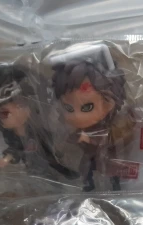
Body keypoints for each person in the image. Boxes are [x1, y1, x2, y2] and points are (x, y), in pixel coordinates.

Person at [0, 62, 77, 179]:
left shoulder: (35, 126)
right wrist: (7, 158)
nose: (18, 113)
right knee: (39, 173)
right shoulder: (11, 136)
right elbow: (14, 148)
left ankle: (64, 173)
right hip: (32, 161)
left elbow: (48, 136)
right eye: (4, 113)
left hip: (47, 154)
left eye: (21, 104)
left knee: (55, 164)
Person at [51, 44, 135, 191]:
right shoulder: (82, 128)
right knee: (87, 171)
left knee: (112, 174)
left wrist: (90, 139)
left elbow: (111, 138)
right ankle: (89, 187)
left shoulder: (113, 124)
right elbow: (73, 138)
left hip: (109, 157)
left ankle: (115, 188)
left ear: (110, 102)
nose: (77, 116)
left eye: (87, 107)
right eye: (69, 108)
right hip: (90, 157)